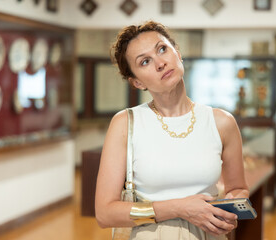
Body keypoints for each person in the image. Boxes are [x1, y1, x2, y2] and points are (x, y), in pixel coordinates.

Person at [95, 20, 249, 240]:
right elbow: (104, 213)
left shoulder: (221, 122)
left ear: (177, 52)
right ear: (137, 82)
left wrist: (229, 211)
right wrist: (179, 208)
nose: (160, 63)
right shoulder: (126, 123)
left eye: (162, 49)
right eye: (145, 61)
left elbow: (238, 189)